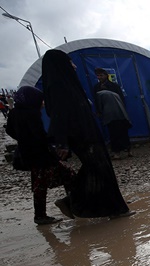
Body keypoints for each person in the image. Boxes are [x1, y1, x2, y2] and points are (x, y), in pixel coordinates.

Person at [41, 49, 133, 219]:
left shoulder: (68, 84)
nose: (74, 66)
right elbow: (58, 115)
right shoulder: (58, 86)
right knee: (100, 168)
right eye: (70, 63)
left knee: (96, 168)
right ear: (61, 65)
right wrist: (61, 142)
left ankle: (82, 203)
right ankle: (109, 208)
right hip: (81, 136)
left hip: (87, 134)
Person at [5, 86, 76, 225]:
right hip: (41, 155)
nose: (42, 103)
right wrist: (54, 142)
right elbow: (39, 136)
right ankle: (43, 215)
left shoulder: (14, 113)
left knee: (62, 176)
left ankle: (71, 204)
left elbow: (9, 131)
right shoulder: (31, 114)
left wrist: (22, 139)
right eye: (41, 100)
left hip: (27, 154)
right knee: (51, 181)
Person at [95, 90, 132, 159]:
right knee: (124, 133)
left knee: (114, 135)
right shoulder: (115, 93)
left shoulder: (98, 94)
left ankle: (116, 153)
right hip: (122, 115)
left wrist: (99, 113)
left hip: (111, 117)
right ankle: (129, 150)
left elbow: (99, 106)